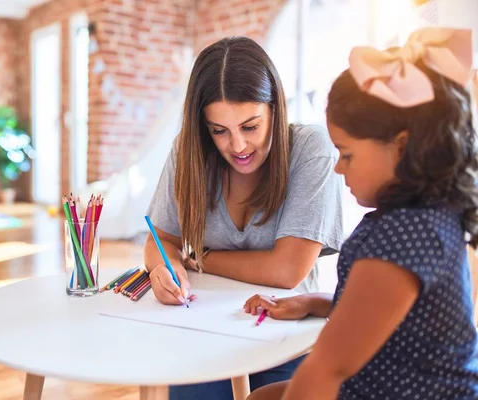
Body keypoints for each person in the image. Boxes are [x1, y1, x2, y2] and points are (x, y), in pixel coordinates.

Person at [246, 27, 478, 399]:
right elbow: (379, 311)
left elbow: (329, 366)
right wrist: (310, 302)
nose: (339, 168)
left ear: (401, 148)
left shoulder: (405, 236)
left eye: (347, 154)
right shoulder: (424, 215)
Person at [144, 36, 343, 400]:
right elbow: (161, 242)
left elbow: (287, 272)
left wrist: (199, 259)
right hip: (202, 336)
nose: (236, 147)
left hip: (283, 339)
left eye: (250, 126)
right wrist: (165, 269)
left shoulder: (311, 149)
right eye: (219, 130)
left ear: (275, 110)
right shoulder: (188, 151)